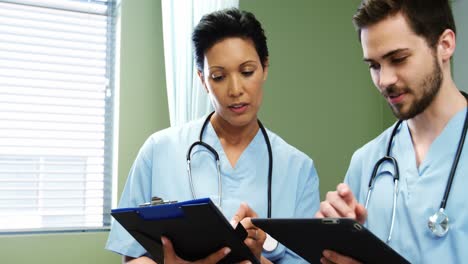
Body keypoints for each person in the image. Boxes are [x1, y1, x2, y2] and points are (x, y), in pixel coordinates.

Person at [106, 8, 320, 264]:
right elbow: (132, 256)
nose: (235, 89)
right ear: (203, 80)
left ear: (265, 67)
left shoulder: (299, 170)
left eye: (247, 71)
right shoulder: (158, 150)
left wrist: (255, 259)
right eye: (218, 76)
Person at [316, 0, 468, 263]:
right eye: (374, 66)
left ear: (444, 45)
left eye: (398, 59)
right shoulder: (366, 162)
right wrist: (335, 246)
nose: (384, 80)